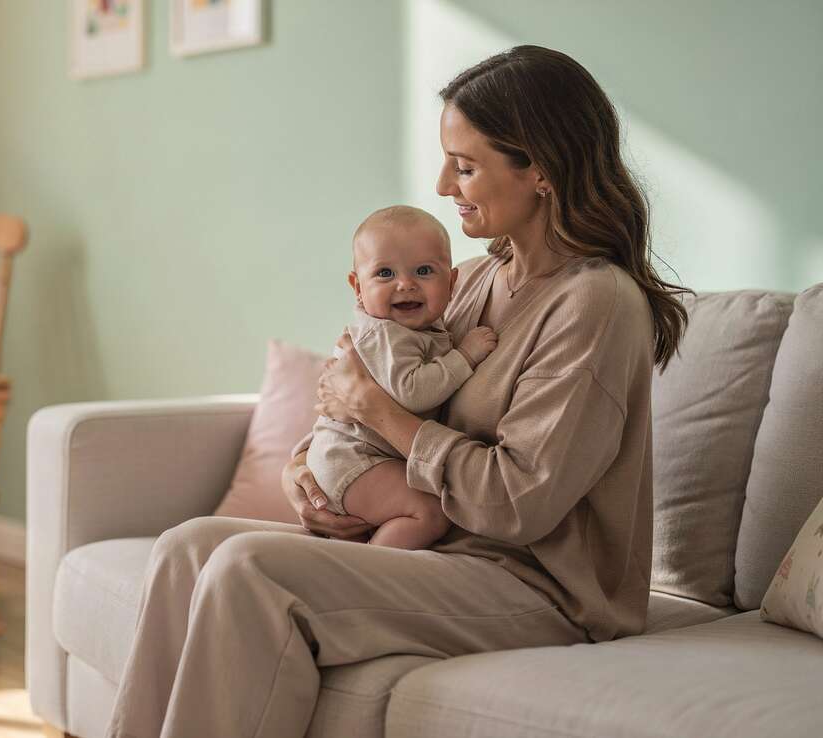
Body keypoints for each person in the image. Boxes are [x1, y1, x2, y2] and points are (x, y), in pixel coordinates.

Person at [106, 45, 691, 738]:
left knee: (250, 568)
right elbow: (353, 401)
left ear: (538, 169)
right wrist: (311, 481)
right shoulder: (467, 279)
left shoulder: (595, 304)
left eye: (466, 165)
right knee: (187, 547)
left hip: (542, 588)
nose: (444, 184)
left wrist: (380, 415)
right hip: (439, 549)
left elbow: (517, 502)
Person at [302, 204, 497, 549]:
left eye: (423, 271)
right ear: (357, 286)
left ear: (451, 283)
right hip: (353, 460)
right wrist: (464, 357)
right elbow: (412, 393)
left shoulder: (415, 329)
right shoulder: (386, 335)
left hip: (358, 458)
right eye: (385, 274)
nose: (405, 285)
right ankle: (368, 574)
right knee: (429, 514)